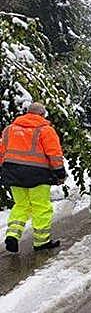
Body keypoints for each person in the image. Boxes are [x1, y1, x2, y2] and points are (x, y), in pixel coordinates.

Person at [0, 102, 67, 253]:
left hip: (13, 174)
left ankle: (12, 235)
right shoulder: (45, 130)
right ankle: (41, 241)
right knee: (41, 207)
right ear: (42, 115)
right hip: (38, 175)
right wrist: (60, 173)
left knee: (21, 205)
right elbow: (54, 154)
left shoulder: (9, 129)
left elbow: (2, 152)